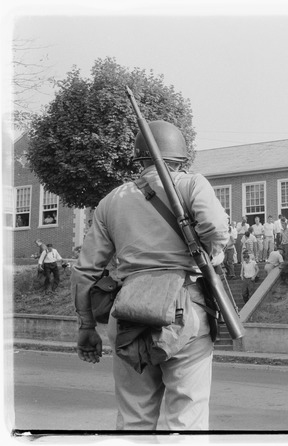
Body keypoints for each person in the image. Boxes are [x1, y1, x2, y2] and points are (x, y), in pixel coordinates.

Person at [71, 120, 229, 430]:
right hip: (185, 307)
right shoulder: (192, 184)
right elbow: (216, 228)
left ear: (138, 160)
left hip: (129, 309)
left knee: (133, 420)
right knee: (185, 421)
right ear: (180, 159)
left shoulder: (110, 201)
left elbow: (85, 272)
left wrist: (86, 325)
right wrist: (210, 253)